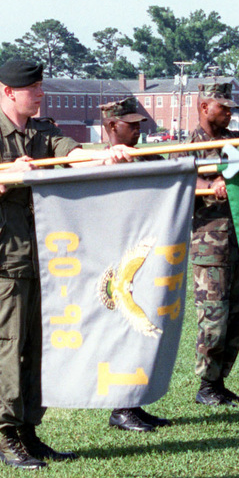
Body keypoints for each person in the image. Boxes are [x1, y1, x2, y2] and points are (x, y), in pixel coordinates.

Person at [0, 58, 130, 469]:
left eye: (41, 87)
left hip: (44, 259)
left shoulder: (43, 132)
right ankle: (8, 439)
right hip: (2, 261)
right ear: (8, 93)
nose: (41, 95)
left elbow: (72, 154)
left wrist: (105, 156)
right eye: (33, 89)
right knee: (8, 349)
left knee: (39, 349)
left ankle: (30, 431)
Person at [98, 96, 175, 433]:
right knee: (120, 332)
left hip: (142, 262)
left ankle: (133, 403)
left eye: (139, 125)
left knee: (142, 332)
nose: (137, 132)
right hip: (112, 264)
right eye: (131, 125)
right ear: (112, 126)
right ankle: (120, 407)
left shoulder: (147, 156)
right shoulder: (94, 163)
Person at [186, 82, 239, 406]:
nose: (228, 113)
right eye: (222, 107)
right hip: (209, 245)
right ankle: (207, 384)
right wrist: (210, 184)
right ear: (204, 107)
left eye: (231, 108)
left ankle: (220, 381)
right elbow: (182, 177)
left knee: (237, 314)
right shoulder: (190, 145)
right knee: (213, 318)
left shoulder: (234, 142)